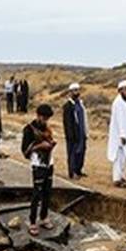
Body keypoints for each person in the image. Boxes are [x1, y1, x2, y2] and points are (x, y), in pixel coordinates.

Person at [21, 104, 57, 235]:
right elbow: (25, 150)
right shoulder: (29, 129)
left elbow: (50, 141)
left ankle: (43, 217)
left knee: (47, 192)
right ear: (38, 115)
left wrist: (51, 145)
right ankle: (32, 221)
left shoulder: (47, 128)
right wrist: (40, 146)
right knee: (37, 193)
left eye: (47, 118)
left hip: (49, 163)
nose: (45, 121)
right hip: (38, 164)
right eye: (44, 118)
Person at [107, 80, 126, 188]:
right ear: (120, 91)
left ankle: (123, 177)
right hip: (119, 137)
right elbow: (119, 120)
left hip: (124, 137)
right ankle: (117, 179)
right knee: (118, 158)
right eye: (124, 89)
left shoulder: (124, 103)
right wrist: (122, 135)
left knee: (124, 158)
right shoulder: (118, 103)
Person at [62, 82, 88, 178]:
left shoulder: (80, 104)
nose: (76, 92)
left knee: (81, 152)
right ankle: (72, 172)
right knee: (72, 153)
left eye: (77, 90)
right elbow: (67, 123)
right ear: (70, 92)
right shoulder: (68, 106)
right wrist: (70, 135)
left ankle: (78, 170)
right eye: (74, 91)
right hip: (73, 135)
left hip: (82, 133)